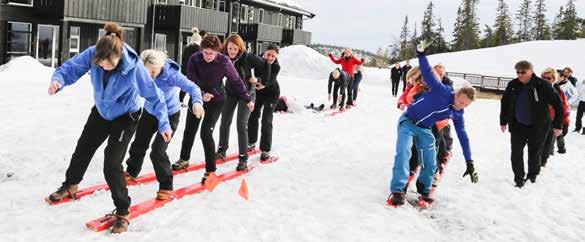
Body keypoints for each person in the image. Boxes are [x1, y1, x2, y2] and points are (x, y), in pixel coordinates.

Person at [46, 22, 172, 233]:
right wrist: (58, 81)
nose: (102, 67)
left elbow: (153, 95)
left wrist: (164, 122)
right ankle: (70, 184)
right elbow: (70, 68)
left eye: (107, 65)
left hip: (126, 116)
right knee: (84, 147)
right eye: (100, 64)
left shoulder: (133, 67)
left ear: (118, 57)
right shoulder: (94, 54)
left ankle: (123, 210)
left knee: (111, 163)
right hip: (102, 111)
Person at [387, 41, 478, 208]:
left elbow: (463, 135)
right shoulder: (441, 90)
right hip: (408, 122)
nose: (460, 105)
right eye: (460, 101)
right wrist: (421, 53)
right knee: (404, 152)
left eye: (465, 105)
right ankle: (398, 190)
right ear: (456, 94)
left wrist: (469, 161)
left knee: (430, 162)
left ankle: (425, 190)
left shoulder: (458, 113)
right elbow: (428, 72)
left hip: (425, 129)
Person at [124, 50, 204, 200]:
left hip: (170, 114)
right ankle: (132, 171)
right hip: (150, 112)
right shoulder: (142, 72)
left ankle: (166, 185)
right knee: (139, 142)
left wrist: (198, 103)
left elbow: (194, 88)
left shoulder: (172, 75)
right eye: (148, 73)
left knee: (157, 151)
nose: (151, 76)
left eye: (153, 72)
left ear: (160, 66)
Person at [172, 35, 253, 184]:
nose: (208, 56)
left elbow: (236, 81)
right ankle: (184, 159)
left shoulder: (224, 61)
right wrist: (201, 94)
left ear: (217, 52)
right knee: (190, 129)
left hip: (216, 100)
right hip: (197, 98)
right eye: (206, 52)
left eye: (212, 53)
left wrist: (247, 98)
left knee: (205, 133)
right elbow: (190, 79)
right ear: (202, 50)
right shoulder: (195, 58)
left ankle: (210, 170)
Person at [500, 61, 563, 188]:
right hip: (518, 125)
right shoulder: (513, 85)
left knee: (534, 153)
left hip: (538, 126)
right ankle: (518, 178)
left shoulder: (542, 85)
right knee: (516, 153)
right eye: (518, 72)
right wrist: (503, 120)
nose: (520, 75)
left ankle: (532, 176)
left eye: (523, 72)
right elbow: (505, 102)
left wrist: (557, 125)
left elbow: (558, 105)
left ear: (531, 71)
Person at [216, 34, 271, 171]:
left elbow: (267, 65)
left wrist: (261, 81)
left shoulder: (248, 57)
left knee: (241, 124)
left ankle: (243, 158)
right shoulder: (224, 57)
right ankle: (222, 149)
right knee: (225, 121)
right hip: (230, 92)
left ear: (240, 48)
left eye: (235, 49)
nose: (232, 51)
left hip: (247, 94)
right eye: (229, 48)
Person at [248, 44, 280, 162]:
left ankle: (265, 150)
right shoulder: (258, 60)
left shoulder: (276, 67)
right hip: (258, 93)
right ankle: (251, 142)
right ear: (264, 53)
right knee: (253, 115)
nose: (270, 58)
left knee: (266, 120)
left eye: (273, 56)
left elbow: (266, 82)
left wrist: (258, 81)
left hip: (272, 94)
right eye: (268, 54)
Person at [540, 68, 568, 167]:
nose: (545, 79)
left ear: (553, 79)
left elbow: (564, 108)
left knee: (547, 143)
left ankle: (543, 160)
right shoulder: (535, 89)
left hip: (552, 121)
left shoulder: (559, 92)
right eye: (543, 77)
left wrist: (565, 123)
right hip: (537, 120)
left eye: (548, 78)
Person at [179, 27, 203, 107]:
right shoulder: (197, 48)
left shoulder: (187, 47)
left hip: (185, 68)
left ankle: (180, 100)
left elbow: (183, 58)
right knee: (193, 85)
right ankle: (193, 100)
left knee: (185, 85)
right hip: (192, 70)